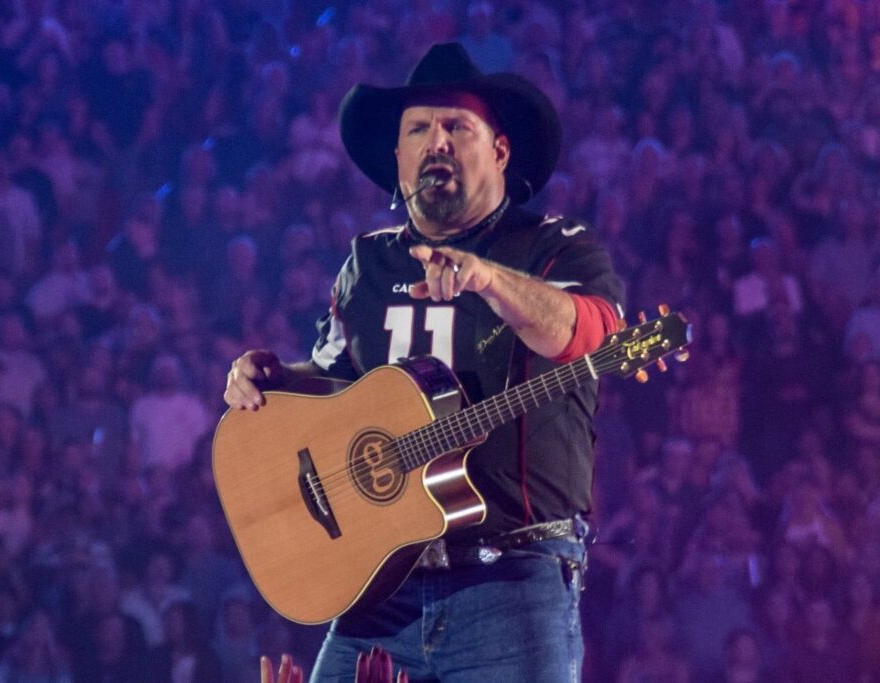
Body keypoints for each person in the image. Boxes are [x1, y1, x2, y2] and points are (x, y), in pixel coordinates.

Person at [225, 43, 625, 681]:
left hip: (512, 584)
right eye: (418, 130)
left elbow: (593, 335)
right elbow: (336, 386)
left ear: (499, 150)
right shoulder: (369, 261)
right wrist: (273, 381)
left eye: (455, 126)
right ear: (398, 160)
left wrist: (489, 280)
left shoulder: (553, 247)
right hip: (380, 587)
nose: (435, 141)